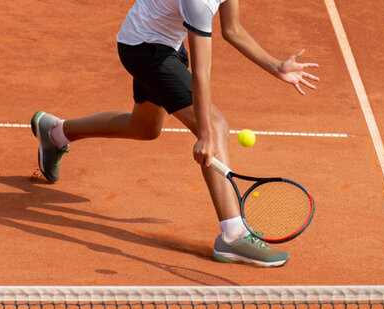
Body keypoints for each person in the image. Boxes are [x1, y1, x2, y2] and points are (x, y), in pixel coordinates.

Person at [31, 0, 319, 267]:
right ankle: (233, 235)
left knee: (144, 128)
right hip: (145, 49)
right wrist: (205, 133)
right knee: (217, 125)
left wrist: (276, 67)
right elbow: (201, 74)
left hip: (160, 42)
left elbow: (233, 30)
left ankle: (55, 133)